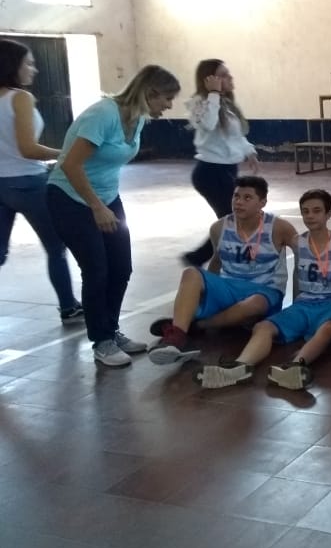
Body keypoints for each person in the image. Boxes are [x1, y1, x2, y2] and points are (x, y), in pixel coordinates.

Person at [46, 64, 180, 367]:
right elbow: (70, 165)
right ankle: (102, 341)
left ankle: (111, 330)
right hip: (70, 198)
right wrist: (96, 206)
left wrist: (103, 202)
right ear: (150, 93)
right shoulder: (103, 114)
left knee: (121, 268)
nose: (169, 106)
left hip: (107, 197)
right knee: (96, 270)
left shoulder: (139, 118)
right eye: (167, 98)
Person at [194, 188, 331, 390]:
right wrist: (296, 302)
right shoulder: (298, 242)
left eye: (317, 211)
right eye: (305, 211)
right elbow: (297, 273)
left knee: (328, 328)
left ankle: (296, 367)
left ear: (329, 214)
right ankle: (240, 367)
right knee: (263, 327)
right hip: (305, 304)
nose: (310, 216)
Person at [148, 175, 297, 365]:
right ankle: (177, 338)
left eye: (247, 198)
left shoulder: (279, 228)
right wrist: (204, 293)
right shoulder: (219, 227)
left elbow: (304, 257)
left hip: (264, 290)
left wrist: (300, 301)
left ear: (262, 202)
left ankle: (198, 325)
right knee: (191, 273)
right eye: (236, 196)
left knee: (254, 304)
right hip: (229, 286)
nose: (239, 202)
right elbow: (217, 261)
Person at [0, 39, 83, 323]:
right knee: (56, 248)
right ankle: (69, 307)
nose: (34, 69)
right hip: (28, 183)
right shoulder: (20, 98)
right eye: (29, 63)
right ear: (12, 65)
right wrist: (67, 153)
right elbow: (28, 149)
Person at [182, 59, 259, 267]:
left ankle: (200, 257)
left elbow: (236, 136)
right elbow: (209, 124)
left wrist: (249, 152)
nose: (230, 78)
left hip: (228, 169)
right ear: (209, 80)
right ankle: (203, 258)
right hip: (210, 172)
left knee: (233, 218)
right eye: (223, 75)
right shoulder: (199, 103)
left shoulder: (226, 105)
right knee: (233, 217)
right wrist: (213, 93)